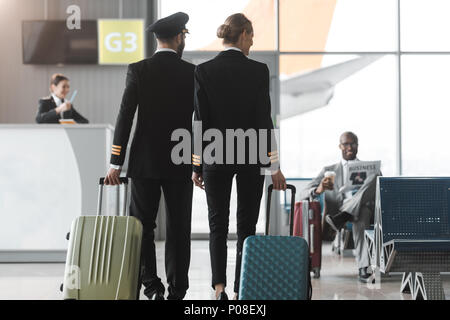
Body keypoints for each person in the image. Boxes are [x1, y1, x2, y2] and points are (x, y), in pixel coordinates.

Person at [191, 13, 287, 300]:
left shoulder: (204, 70)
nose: (253, 41)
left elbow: (199, 120)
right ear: (243, 34)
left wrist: (196, 164)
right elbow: (264, 120)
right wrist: (274, 164)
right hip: (250, 157)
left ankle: (219, 287)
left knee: (217, 224)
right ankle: (240, 288)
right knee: (247, 225)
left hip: (215, 157)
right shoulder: (259, 71)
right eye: (252, 35)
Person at [104, 12, 194, 300]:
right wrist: (198, 163)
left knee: (142, 226)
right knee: (179, 228)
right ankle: (177, 291)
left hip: (144, 162)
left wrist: (115, 161)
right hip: (181, 161)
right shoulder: (193, 73)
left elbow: (124, 117)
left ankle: (151, 286)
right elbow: (201, 121)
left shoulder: (138, 69)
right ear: (180, 37)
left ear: (157, 39)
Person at [299, 131, 381, 283]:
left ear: (358, 146)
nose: (350, 147)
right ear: (340, 146)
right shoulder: (329, 170)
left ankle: (346, 217)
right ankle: (364, 267)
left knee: (375, 181)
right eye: (346, 144)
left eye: (353, 144)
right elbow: (303, 192)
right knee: (360, 213)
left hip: (355, 210)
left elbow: (379, 190)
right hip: (337, 209)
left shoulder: (369, 168)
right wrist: (319, 190)